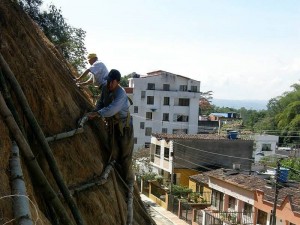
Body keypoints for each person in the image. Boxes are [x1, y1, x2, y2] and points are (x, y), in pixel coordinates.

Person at [85, 69, 134, 185]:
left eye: (112, 82)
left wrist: (98, 114)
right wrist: (95, 111)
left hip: (124, 127)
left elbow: (112, 109)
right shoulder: (105, 89)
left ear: (117, 82)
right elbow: (101, 103)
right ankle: (115, 173)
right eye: (108, 81)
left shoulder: (121, 94)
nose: (109, 84)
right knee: (113, 150)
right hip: (112, 125)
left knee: (125, 156)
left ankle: (128, 182)